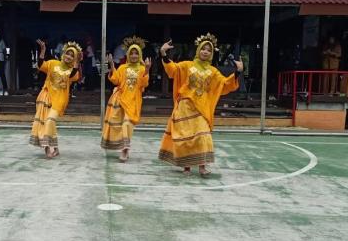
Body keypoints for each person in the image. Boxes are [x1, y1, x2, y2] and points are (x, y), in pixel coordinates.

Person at [158, 33, 243, 177]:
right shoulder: (187, 65)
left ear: (211, 54)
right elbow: (173, 70)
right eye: (203, 48)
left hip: (202, 109)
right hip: (185, 106)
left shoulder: (213, 72)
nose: (205, 52)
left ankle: (202, 166)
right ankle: (186, 167)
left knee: (203, 135)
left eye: (209, 50)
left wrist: (238, 72)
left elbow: (224, 84)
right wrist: (163, 53)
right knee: (186, 137)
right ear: (198, 50)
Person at [101, 36, 151, 162]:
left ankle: (125, 148)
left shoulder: (142, 69)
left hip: (134, 100)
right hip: (121, 99)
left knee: (127, 123)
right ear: (128, 54)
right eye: (132, 53)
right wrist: (112, 65)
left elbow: (144, 84)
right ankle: (124, 148)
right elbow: (116, 80)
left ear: (139, 55)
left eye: (136, 53)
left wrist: (147, 69)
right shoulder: (123, 68)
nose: (134, 55)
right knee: (117, 124)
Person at [29, 39, 81, 158]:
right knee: (44, 122)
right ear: (63, 54)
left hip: (59, 100)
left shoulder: (73, 71)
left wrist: (77, 62)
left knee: (50, 120)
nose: (68, 57)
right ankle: (50, 148)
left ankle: (50, 146)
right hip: (46, 97)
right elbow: (40, 65)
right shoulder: (53, 63)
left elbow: (73, 75)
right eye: (67, 53)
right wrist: (43, 50)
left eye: (72, 56)